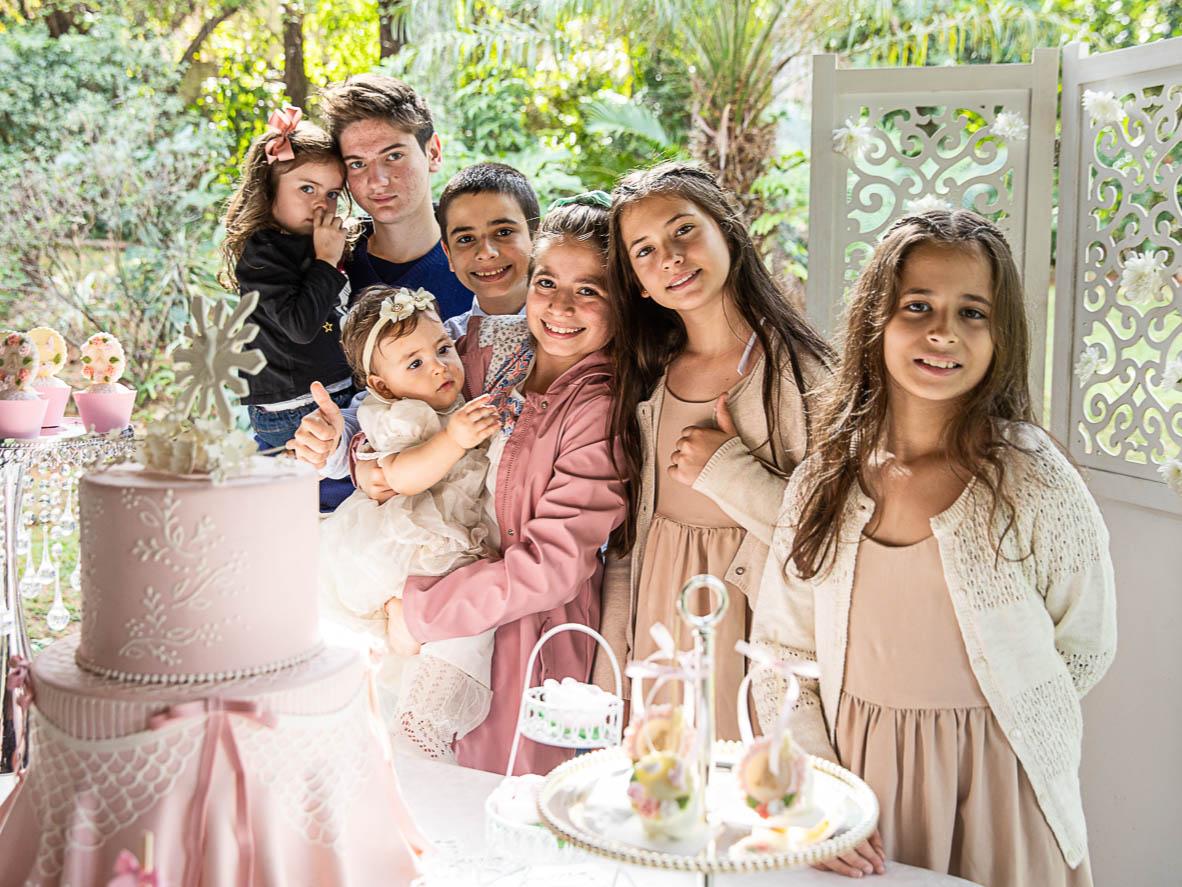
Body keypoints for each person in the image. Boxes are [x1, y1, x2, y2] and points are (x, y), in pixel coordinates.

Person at [751, 210, 1116, 884]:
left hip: (1000, 795)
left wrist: (995, 725)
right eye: (917, 305)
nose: (943, 331)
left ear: (1001, 335)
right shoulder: (825, 480)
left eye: (972, 312)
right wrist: (818, 791)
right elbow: (780, 656)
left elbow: (1085, 643)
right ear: (875, 321)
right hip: (860, 791)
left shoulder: (1032, 479)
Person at [380, 193, 627, 774]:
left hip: (529, 643)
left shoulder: (599, 405)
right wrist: (361, 456)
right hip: (455, 626)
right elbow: (406, 402)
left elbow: (553, 565)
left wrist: (422, 612)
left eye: (589, 290)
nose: (561, 305)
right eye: (547, 283)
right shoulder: (502, 360)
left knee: (499, 800)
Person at [597, 162, 832, 740]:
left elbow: (834, 531)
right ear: (638, 283)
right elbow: (629, 536)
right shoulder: (648, 373)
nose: (670, 257)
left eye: (684, 230)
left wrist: (729, 472)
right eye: (645, 251)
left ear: (727, 230)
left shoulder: (797, 374)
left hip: (746, 617)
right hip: (659, 611)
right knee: (664, 777)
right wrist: (612, 660)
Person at [319, 284, 502, 762]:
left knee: (454, 621)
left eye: (442, 349)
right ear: (382, 386)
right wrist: (454, 440)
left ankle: (414, 696)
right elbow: (400, 477)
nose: (439, 367)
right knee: (459, 619)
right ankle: (421, 718)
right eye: (415, 363)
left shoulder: (450, 402)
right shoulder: (403, 415)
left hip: (451, 532)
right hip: (416, 536)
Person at [220, 106, 357, 449]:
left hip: (333, 392)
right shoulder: (264, 252)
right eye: (307, 189)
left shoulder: (314, 241)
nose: (321, 205)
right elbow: (299, 326)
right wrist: (326, 261)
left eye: (332, 194)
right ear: (270, 191)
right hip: (295, 408)